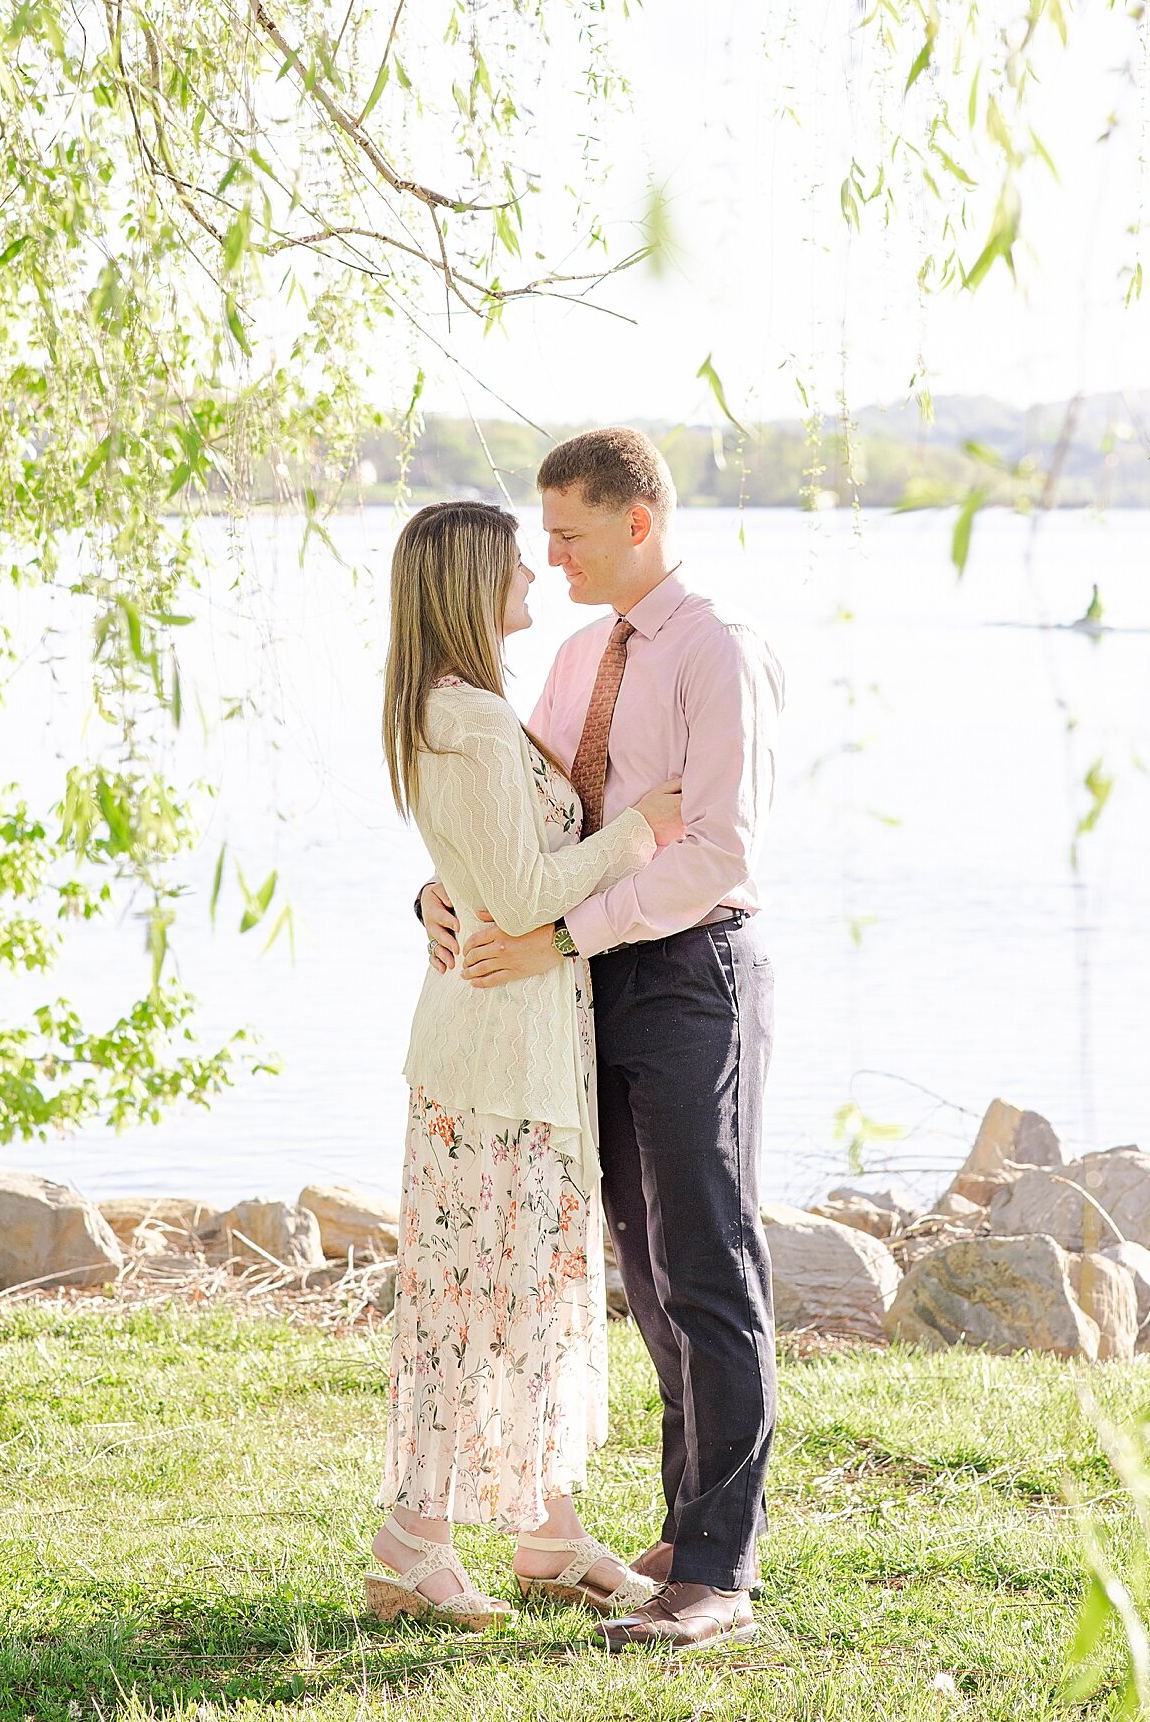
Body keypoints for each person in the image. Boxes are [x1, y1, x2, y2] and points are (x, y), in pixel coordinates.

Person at [422, 428, 784, 1651]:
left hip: (691, 976)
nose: (550, 555)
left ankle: (720, 1569)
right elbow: (514, 821)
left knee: (709, 1260)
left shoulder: (715, 651)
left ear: (638, 521)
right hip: (586, 984)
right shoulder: (577, 655)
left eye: (568, 533)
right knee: (644, 1266)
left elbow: (718, 850)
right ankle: (687, 1530)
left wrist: (567, 933)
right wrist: (437, 897)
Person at [368, 498, 686, 1630]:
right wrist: (639, 828)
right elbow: (521, 892)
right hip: (492, 1070)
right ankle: (412, 1541)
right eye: (514, 561)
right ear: (467, 582)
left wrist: (434, 890)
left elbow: (474, 871)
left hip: (510, 1057)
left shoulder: (462, 709)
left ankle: (547, 1528)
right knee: (468, 1305)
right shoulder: (471, 721)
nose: (536, 575)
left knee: (525, 1300)